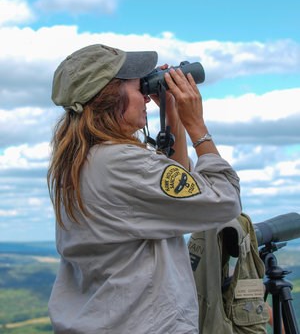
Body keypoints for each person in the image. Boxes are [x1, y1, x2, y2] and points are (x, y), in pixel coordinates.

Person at [47, 43, 242, 334]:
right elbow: (223, 201)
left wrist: (172, 116)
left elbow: (178, 198)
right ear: (111, 96)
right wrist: (197, 128)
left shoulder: (76, 161)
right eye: (139, 88)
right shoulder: (122, 162)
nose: (146, 100)